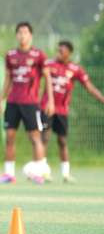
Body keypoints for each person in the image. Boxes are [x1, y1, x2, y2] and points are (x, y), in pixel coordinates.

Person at [0, 22, 54, 184]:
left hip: (31, 103)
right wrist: (1, 101)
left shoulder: (39, 55)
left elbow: (48, 78)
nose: (22, 35)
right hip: (13, 102)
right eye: (19, 32)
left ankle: (40, 173)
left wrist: (51, 101)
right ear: (16, 35)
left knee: (35, 137)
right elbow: (8, 80)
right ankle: (8, 174)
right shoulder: (11, 55)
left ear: (31, 36)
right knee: (9, 137)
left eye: (25, 32)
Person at [42, 40, 104, 183]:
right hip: (47, 107)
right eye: (58, 50)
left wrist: (102, 99)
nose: (59, 53)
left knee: (62, 141)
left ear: (69, 53)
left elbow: (89, 87)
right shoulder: (49, 65)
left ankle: (66, 174)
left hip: (62, 110)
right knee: (44, 138)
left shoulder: (75, 69)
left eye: (62, 51)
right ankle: (43, 171)